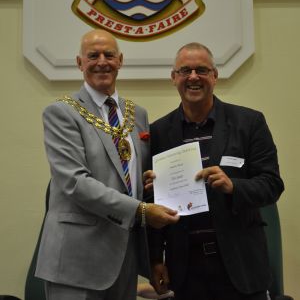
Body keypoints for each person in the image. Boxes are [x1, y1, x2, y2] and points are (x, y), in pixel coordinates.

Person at [35, 29, 179, 300]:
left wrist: (148, 181)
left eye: (109, 54)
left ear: (120, 60)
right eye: (93, 55)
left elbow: (132, 180)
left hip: (124, 259)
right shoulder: (61, 113)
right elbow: (75, 183)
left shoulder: (137, 114)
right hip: (76, 261)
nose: (102, 61)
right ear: (80, 63)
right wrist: (141, 210)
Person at [145, 42, 284, 300]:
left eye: (202, 70)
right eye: (185, 70)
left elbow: (272, 185)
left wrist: (234, 186)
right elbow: (151, 204)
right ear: (174, 78)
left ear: (215, 76)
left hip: (241, 268)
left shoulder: (249, 123)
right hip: (185, 271)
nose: (193, 77)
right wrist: (154, 259)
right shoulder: (158, 132)